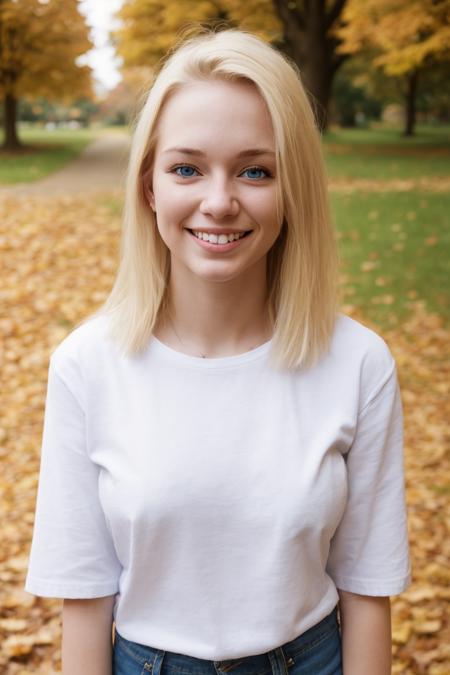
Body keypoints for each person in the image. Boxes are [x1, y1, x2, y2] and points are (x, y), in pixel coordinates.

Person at [24, 27, 411, 675]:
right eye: (187, 168)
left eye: (255, 170)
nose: (220, 201)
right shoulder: (87, 365)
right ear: (149, 186)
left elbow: (368, 590)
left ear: (293, 192)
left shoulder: (358, 363)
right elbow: (85, 599)